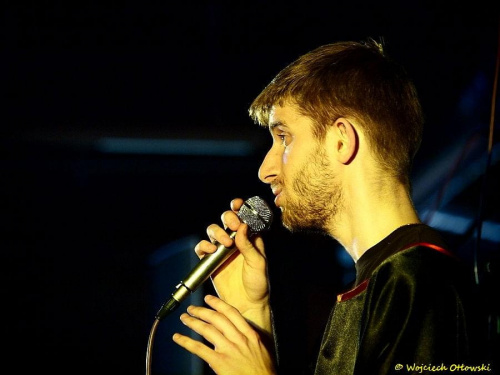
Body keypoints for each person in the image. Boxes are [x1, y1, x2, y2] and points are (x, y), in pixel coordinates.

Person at [171, 39, 481, 374]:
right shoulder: (386, 279)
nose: (265, 170)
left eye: (284, 137)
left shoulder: (418, 282)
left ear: (341, 141)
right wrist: (253, 317)